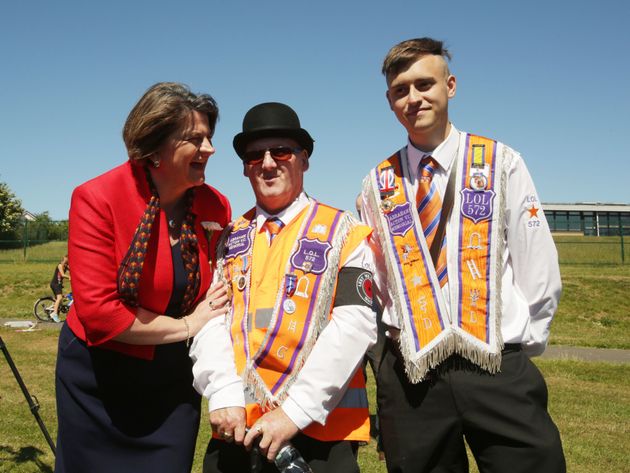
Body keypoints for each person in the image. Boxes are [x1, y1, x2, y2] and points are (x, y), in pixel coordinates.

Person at [359, 38, 566, 472]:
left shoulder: (500, 162)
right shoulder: (376, 185)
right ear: (389, 100)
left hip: (496, 364)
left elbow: (538, 266)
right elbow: (377, 283)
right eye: (401, 90)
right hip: (414, 374)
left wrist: (519, 350)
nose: (413, 98)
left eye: (424, 84)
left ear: (450, 86)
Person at [190, 102, 377, 473]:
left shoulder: (347, 233)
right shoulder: (226, 240)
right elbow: (209, 322)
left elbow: (354, 327)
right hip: (237, 425)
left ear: (304, 160)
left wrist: (294, 412)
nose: (268, 163)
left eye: (281, 151)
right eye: (255, 155)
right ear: (245, 168)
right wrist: (224, 392)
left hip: (321, 429)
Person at [54, 82, 231, 473]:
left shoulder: (213, 205)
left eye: (209, 138)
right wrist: (189, 323)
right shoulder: (96, 197)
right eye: (195, 139)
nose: (210, 149)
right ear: (154, 147)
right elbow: (102, 315)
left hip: (171, 381)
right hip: (97, 376)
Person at [49, 254, 70, 322]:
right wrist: (69, 277)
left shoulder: (66, 266)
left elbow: (73, 271)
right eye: (65, 260)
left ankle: (54, 311)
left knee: (59, 299)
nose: (66, 262)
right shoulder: (60, 265)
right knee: (59, 298)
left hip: (58, 284)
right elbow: (62, 275)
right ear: (64, 259)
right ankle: (54, 314)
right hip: (55, 284)